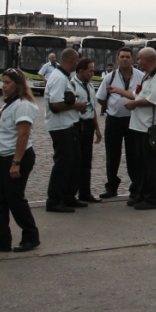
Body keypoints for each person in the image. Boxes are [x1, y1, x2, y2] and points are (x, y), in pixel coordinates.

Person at [0, 68, 41, 253]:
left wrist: (16, 163)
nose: (3, 86)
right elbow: (9, 126)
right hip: (2, 155)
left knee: (14, 198)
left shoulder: (22, 104)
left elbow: (23, 134)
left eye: (7, 82)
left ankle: (30, 235)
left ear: (18, 84)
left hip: (15, 157)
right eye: (3, 82)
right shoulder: (9, 104)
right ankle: (2, 237)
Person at [120, 47, 156, 210]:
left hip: (150, 128)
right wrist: (120, 92)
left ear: (147, 60)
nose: (138, 62)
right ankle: (141, 193)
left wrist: (134, 104)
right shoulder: (148, 76)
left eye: (139, 59)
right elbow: (138, 94)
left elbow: (153, 99)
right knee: (140, 165)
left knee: (151, 166)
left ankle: (152, 198)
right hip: (138, 127)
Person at [97, 46, 145, 199]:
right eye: (122, 57)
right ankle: (111, 187)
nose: (124, 59)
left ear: (132, 59)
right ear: (117, 59)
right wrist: (109, 108)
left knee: (134, 155)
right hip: (114, 120)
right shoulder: (109, 77)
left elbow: (144, 96)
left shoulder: (141, 76)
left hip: (133, 121)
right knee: (112, 155)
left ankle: (136, 188)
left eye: (127, 57)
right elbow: (101, 97)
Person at [44, 48, 85, 213]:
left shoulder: (63, 77)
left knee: (74, 162)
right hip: (60, 126)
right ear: (70, 60)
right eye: (76, 60)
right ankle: (54, 200)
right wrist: (77, 106)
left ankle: (68, 196)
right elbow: (55, 105)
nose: (77, 63)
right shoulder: (59, 78)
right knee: (63, 164)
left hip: (69, 124)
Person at [71, 57, 103, 203]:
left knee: (86, 160)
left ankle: (85, 192)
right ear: (81, 71)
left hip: (88, 124)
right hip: (77, 124)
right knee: (76, 161)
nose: (92, 73)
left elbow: (92, 108)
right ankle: (71, 194)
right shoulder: (71, 85)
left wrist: (97, 128)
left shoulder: (90, 85)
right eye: (90, 71)